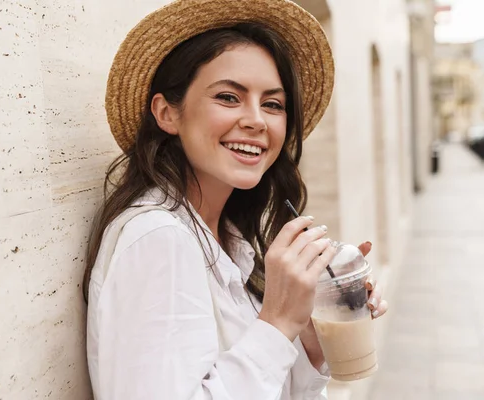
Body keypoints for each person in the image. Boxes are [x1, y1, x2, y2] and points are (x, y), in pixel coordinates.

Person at [83, 0, 388, 398]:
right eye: (229, 97)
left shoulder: (230, 240)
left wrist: (307, 336)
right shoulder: (159, 239)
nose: (256, 120)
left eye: (273, 104)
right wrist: (277, 321)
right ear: (167, 113)